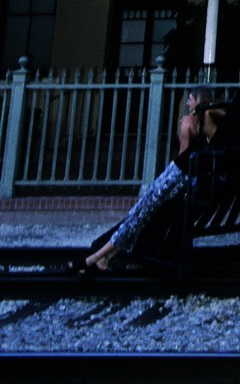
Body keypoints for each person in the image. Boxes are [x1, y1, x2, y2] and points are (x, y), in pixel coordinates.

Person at [73, 88, 224, 273]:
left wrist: (208, 111)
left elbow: (185, 153)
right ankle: (103, 257)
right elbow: (217, 140)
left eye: (191, 99)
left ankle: (96, 257)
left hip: (175, 174)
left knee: (139, 214)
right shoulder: (202, 121)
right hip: (180, 175)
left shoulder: (188, 122)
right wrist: (212, 111)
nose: (187, 103)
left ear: (199, 101)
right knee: (140, 215)